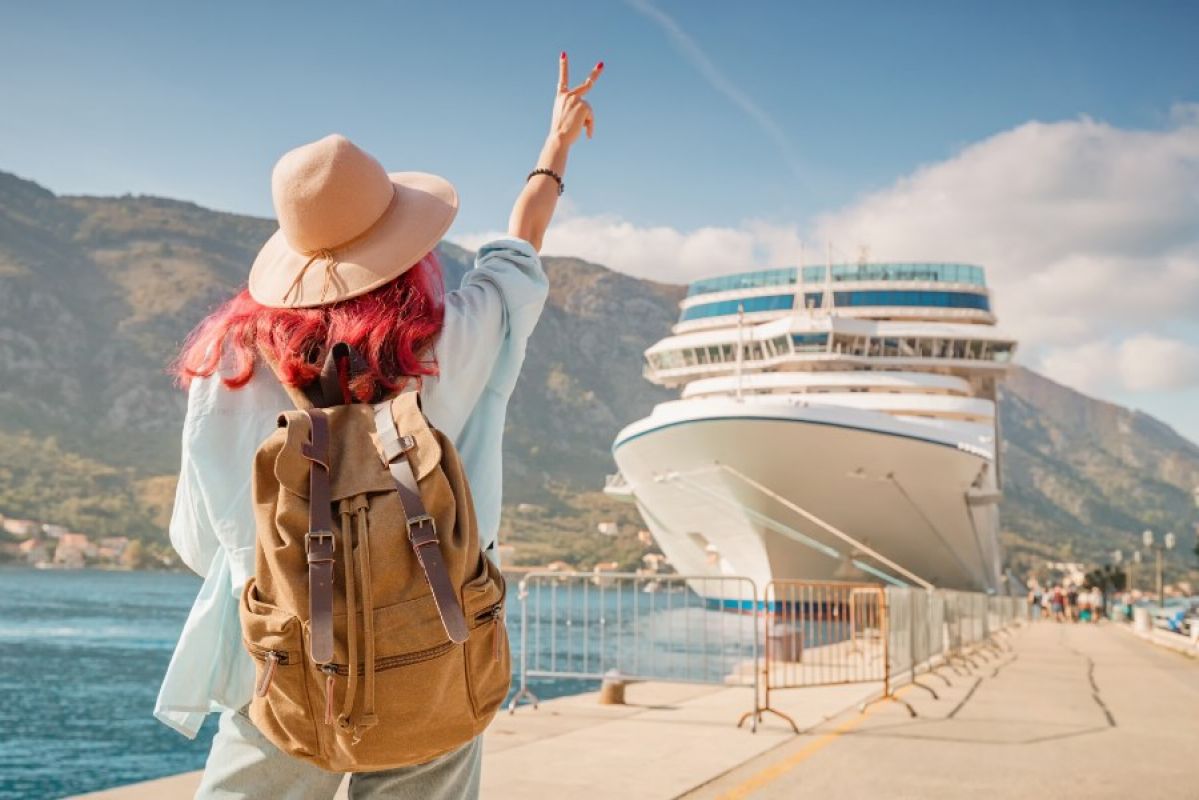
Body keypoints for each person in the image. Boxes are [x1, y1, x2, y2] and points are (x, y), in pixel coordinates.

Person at [154, 53, 603, 799]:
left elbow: (201, 539)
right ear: (403, 241)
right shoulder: (451, 338)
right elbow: (516, 254)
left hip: (277, 656)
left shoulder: (228, 360)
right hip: (430, 643)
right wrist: (552, 150)